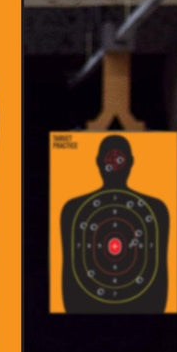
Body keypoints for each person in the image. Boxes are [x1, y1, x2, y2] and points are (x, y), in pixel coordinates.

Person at [60, 134, 170, 315]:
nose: (114, 165)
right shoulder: (156, 209)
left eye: (118, 159)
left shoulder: (73, 210)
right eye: (110, 159)